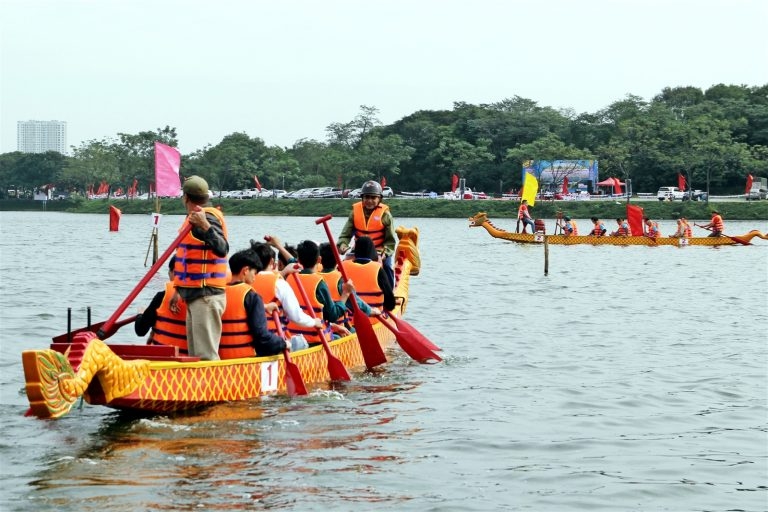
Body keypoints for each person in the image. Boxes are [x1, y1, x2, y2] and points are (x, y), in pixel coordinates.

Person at [172, 175, 229, 361]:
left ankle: (215, 389)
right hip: (193, 294)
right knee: (195, 356)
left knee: (206, 357)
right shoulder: (194, 217)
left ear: (185, 197)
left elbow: (222, 248)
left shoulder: (207, 217)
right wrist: (177, 288)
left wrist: (204, 225)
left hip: (206, 295)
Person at [249, 240, 322, 350]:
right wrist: (314, 322)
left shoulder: (244, 283)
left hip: (249, 345)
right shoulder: (279, 283)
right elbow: (296, 317)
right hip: (275, 344)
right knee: (300, 343)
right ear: (272, 262)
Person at [219, 248, 289, 359]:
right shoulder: (252, 297)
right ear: (246, 270)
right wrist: (283, 343)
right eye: (254, 272)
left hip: (222, 360)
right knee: (296, 343)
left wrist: (264, 306)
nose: (255, 277)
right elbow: (262, 337)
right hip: (247, 361)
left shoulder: (219, 293)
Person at [288, 240, 355, 345]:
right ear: (319, 260)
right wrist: (345, 294)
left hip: (292, 338)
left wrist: (333, 326)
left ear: (298, 260)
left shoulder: (289, 278)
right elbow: (332, 315)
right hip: (316, 340)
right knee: (340, 336)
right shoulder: (319, 282)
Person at [337, 180, 397, 286]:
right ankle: (340, 288)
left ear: (379, 199)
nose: (369, 200)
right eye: (366, 197)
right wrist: (342, 245)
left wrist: (385, 253)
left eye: (373, 198)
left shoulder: (386, 215)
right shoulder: (355, 213)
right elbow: (345, 234)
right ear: (362, 198)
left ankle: (390, 293)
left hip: (379, 250)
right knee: (342, 266)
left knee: (386, 267)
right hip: (358, 250)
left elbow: (390, 241)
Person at [135, 256, 188, 354]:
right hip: (190, 359)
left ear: (173, 272)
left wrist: (140, 315)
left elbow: (140, 330)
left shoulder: (161, 297)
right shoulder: (200, 299)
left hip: (163, 358)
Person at [341, 236, 396, 313]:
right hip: (374, 318)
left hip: (348, 320)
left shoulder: (343, 267)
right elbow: (391, 304)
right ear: (372, 251)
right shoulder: (378, 269)